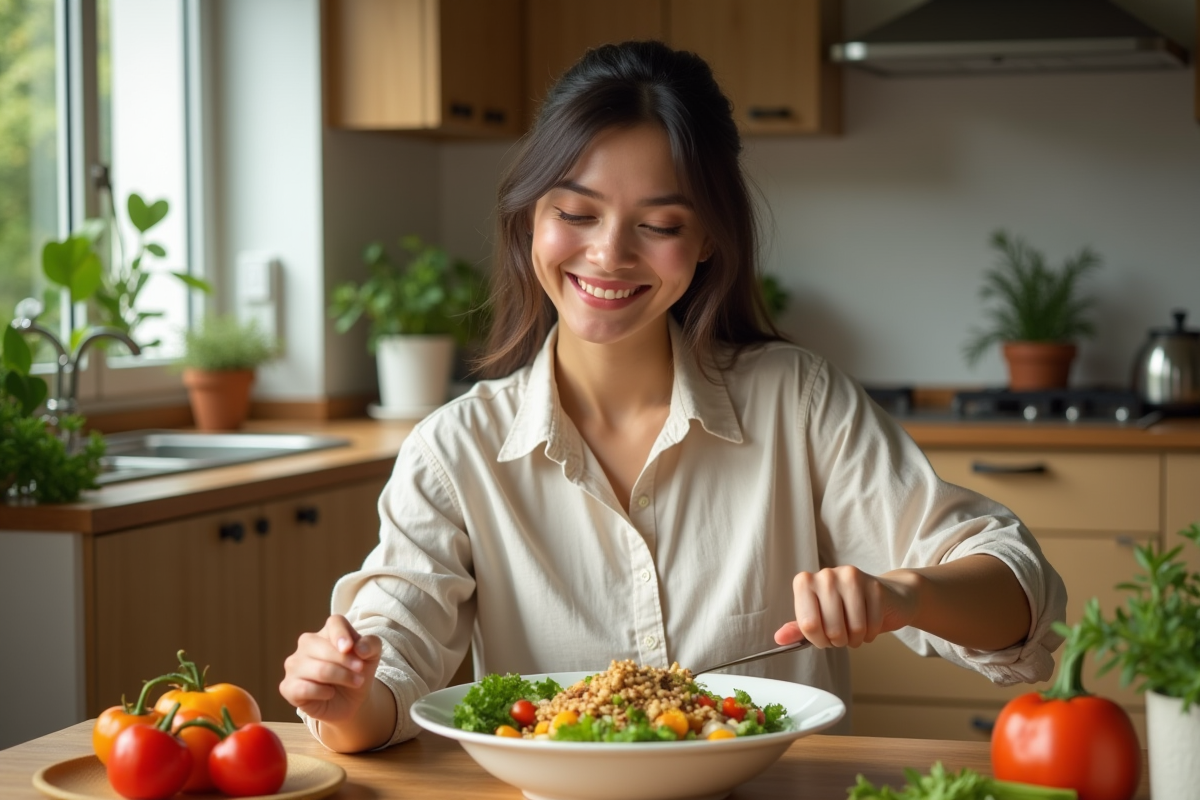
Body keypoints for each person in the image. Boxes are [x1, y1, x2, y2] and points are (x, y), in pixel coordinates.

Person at [279, 40, 1066, 753]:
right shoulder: (455, 450)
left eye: (657, 225)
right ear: (529, 219)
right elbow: (390, 667)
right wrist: (344, 694)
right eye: (576, 213)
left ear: (708, 239)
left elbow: (1019, 592)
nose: (608, 254)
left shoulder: (798, 401)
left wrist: (902, 594)